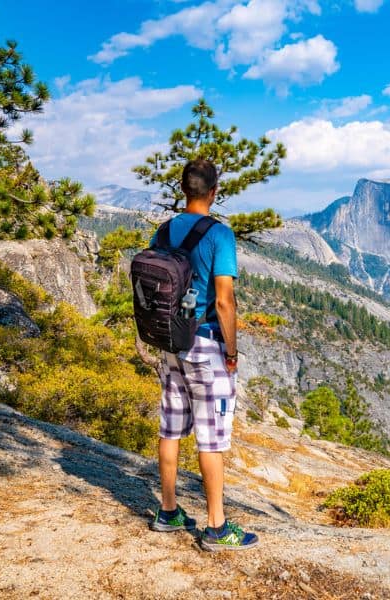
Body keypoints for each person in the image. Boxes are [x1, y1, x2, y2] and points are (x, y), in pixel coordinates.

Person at [149, 158, 258, 551]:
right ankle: (216, 526)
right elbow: (225, 301)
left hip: (170, 342)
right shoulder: (219, 235)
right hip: (206, 342)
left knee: (171, 427)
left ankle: (168, 511)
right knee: (211, 438)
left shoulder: (163, 231)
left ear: (183, 190)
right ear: (214, 192)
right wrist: (232, 349)